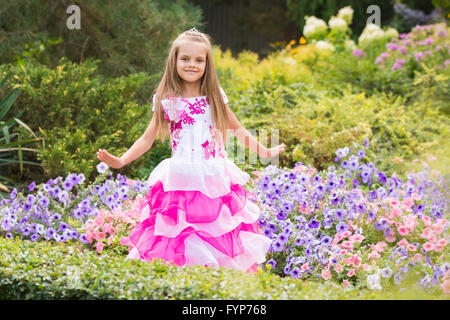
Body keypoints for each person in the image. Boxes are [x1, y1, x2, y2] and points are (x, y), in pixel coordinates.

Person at [96, 27, 286, 273]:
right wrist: (121, 160)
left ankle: (215, 289)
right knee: (181, 234)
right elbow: (147, 138)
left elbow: (237, 128)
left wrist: (265, 151)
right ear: (174, 60)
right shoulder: (166, 97)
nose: (192, 64)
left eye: (199, 60)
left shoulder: (214, 95)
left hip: (213, 178)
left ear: (207, 64)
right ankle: (182, 288)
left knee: (216, 232)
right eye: (185, 58)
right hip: (180, 179)